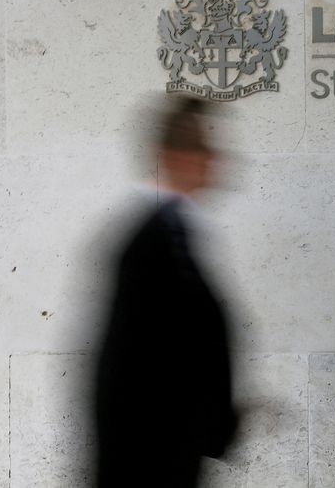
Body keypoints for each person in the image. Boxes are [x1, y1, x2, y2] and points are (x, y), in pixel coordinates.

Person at [94, 97, 237, 487]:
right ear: (170, 155)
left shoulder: (176, 236)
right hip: (149, 463)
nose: (214, 158)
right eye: (202, 147)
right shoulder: (149, 243)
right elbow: (123, 370)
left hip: (170, 457)